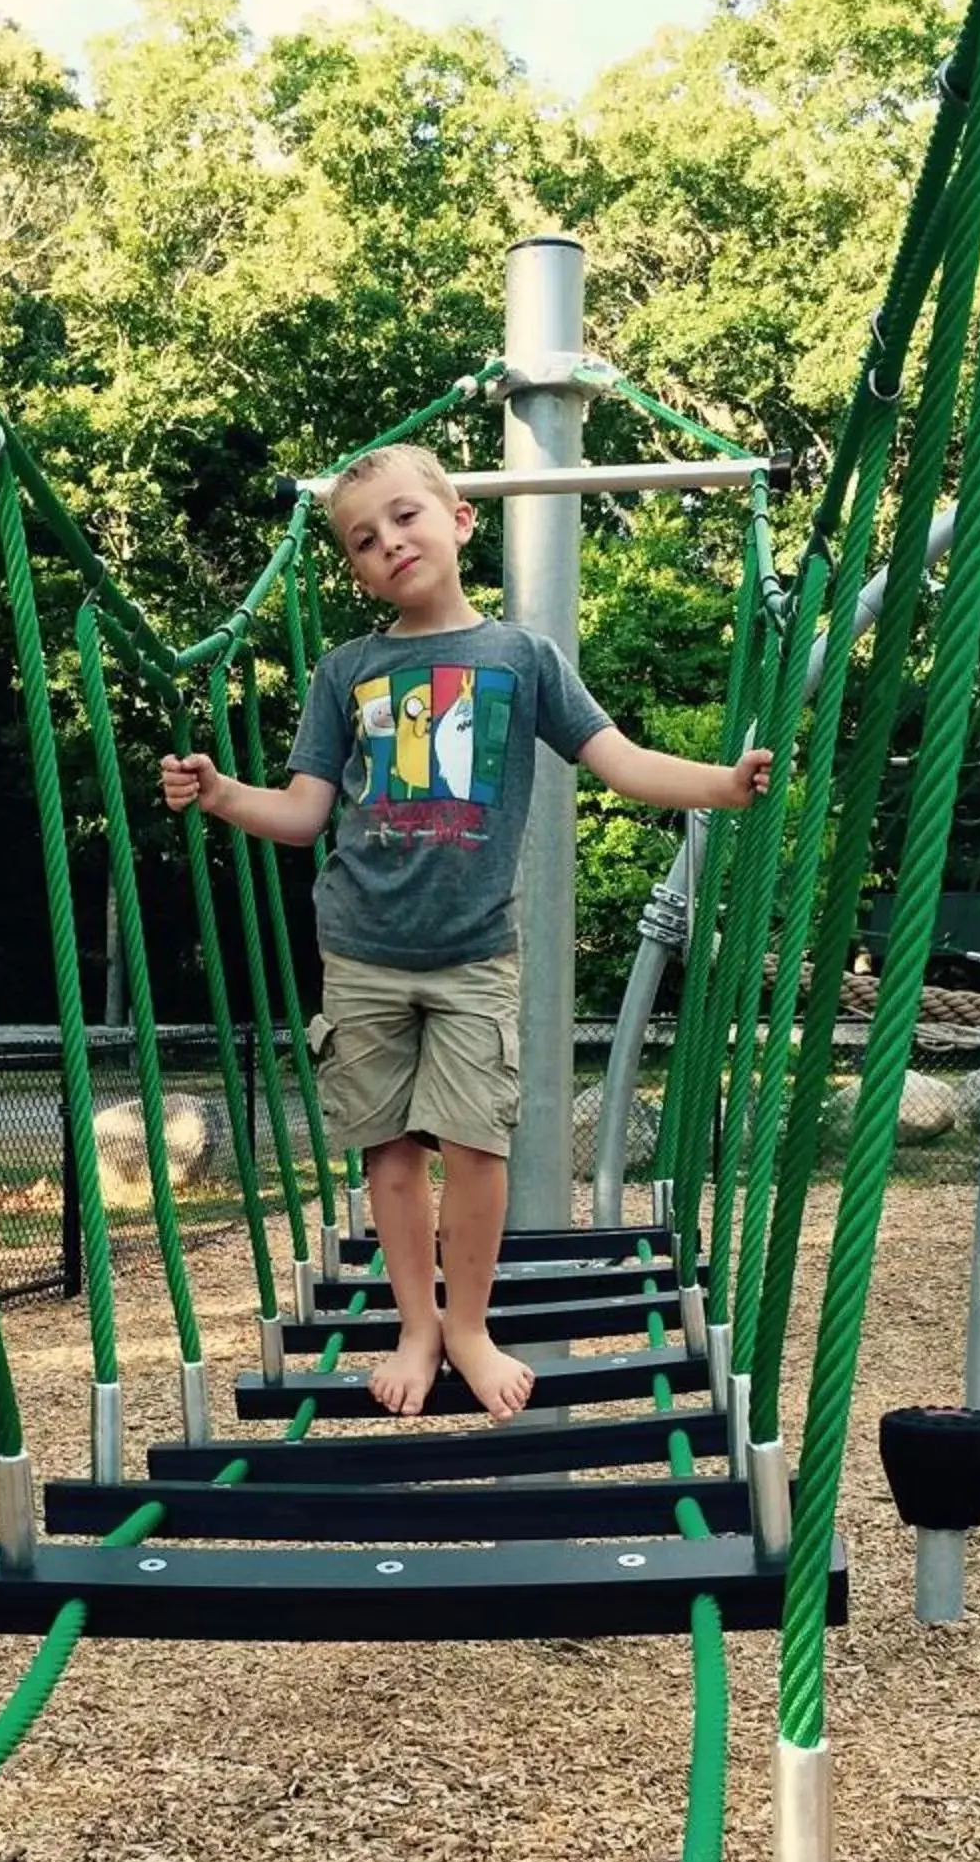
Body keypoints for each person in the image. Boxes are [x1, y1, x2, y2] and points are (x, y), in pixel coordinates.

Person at [160, 442, 771, 1422]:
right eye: (364, 539)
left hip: (475, 953)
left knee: (477, 1148)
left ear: (459, 521)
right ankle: (418, 1325)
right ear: (355, 568)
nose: (389, 543)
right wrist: (224, 794)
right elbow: (304, 813)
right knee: (390, 1154)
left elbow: (619, 762)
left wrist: (721, 788)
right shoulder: (346, 670)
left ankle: (472, 1325)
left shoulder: (521, 659)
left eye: (406, 517)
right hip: (360, 949)